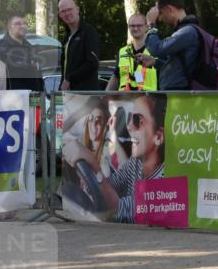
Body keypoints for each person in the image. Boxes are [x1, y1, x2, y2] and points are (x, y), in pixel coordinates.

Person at [62, 93, 166, 223]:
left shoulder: (165, 179)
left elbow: (117, 210)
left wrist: (94, 165)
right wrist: (85, 169)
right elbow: (109, 187)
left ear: (158, 137)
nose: (129, 126)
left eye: (137, 120)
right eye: (129, 118)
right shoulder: (136, 164)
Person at [143, 0, 202, 91]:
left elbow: (157, 49)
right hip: (179, 95)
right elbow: (179, 69)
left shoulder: (187, 32)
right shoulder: (185, 31)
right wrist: (155, 62)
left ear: (169, 9)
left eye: (160, 13)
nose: (160, 19)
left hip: (182, 97)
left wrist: (150, 25)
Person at [107, 13, 159, 92]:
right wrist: (104, 96)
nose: (135, 28)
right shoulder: (122, 51)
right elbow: (116, 76)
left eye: (139, 25)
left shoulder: (155, 50)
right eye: (132, 26)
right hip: (124, 100)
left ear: (146, 27)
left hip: (149, 99)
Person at [58, 0, 101, 91]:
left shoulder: (89, 31)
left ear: (77, 9)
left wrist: (70, 79)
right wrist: (63, 84)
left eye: (69, 9)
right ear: (60, 15)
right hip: (68, 93)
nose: (67, 13)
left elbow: (92, 63)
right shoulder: (66, 37)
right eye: (63, 11)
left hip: (86, 93)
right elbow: (65, 68)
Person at [0, 15, 44, 92]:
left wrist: (41, 94)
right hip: (10, 99)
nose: (23, 26)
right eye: (18, 23)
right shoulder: (0, 48)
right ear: (9, 26)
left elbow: (38, 76)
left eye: (25, 23)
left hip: (33, 98)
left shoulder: (29, 47)